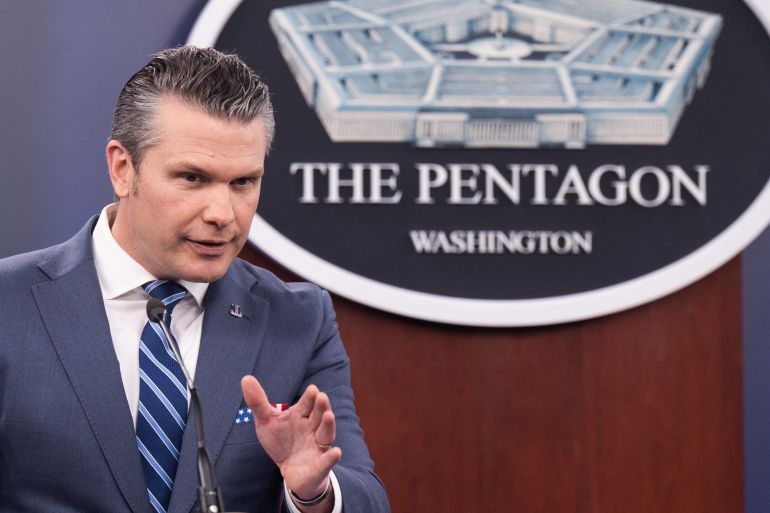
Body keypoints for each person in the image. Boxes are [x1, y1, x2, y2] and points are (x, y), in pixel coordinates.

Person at [0, 46, 390, 513]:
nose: (223, 214)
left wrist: (313, 493)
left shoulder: (297, 319)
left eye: (243, 182)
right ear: (123, 169)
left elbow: (364, 495)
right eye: (192, 177)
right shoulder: (10, 304)